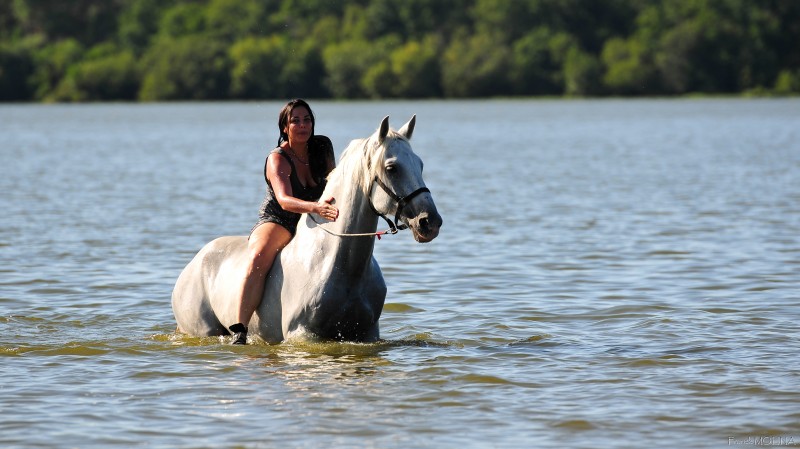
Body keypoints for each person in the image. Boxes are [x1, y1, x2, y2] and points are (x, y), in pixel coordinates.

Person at [229, 99, 339, 344]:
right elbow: (284, 199)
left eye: (307, 120)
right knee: (258, 258)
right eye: (295, 121)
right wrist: (315, 207)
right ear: (284, 128)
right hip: (281, 219)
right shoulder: (277, 158)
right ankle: (240, 329)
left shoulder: (323, 145)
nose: (303, 125)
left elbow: (333, 179)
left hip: (315, 217)